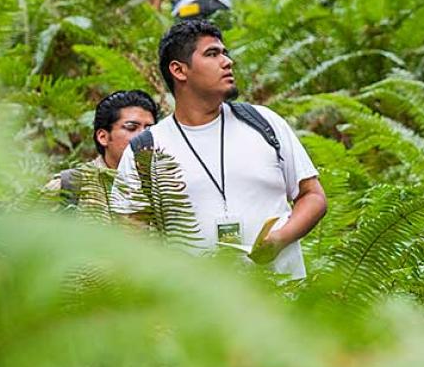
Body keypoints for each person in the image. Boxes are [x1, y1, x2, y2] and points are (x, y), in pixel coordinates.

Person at [110, 20, 328, 278]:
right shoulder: (145, 149)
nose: (227, 61)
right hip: (198, 308)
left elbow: (313, 196)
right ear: (179, 71)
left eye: (225, 53)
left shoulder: (264, 123)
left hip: (282, 303)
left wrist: (280, 238)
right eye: (212, 54)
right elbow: (129, 236)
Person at [45, 90, 159, 202]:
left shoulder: (166, 186)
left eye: (149, 129)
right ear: (103, 137)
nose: (144, 136)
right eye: (131, 128)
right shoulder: (70, 186)